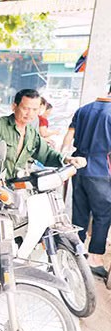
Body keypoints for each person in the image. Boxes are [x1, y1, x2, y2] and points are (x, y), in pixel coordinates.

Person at [0, 89, 85, 218]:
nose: (30, 113)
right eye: (26, 108)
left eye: (35, 110)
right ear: (14, 106)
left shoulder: (32, 133)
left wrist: (68, 160)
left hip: (11, 188)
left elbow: (47, 154)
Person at [60, 88, 111, 277]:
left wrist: (62, 157)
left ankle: (77, 253)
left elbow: (68, 136)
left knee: (80, 212)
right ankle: (95, 258)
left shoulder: (84, 109)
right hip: (101, 169)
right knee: (103, 215)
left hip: (78, 166)